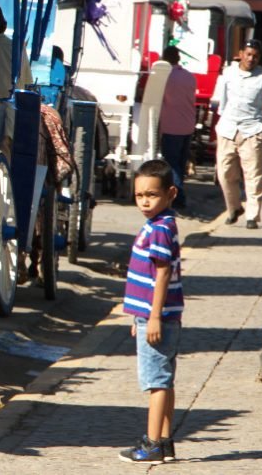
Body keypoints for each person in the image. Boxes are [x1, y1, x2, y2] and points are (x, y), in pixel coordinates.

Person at [120, 158, 183, 463]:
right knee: (165, 379)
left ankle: (152, 443)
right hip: (157, 315)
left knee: (156, 382)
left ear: (170, 193)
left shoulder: (159, 229)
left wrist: (153, 316)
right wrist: (140, 316)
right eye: (139, 195)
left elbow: (162, 274)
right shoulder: (161, 223)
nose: (145, 201)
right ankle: (166, 441)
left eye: (152, 195)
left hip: (159, 317)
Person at [210, 39, 262, 229]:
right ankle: (234, 208)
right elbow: (220, 104)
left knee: (253, 175)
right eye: (248, 54)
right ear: (241, 53)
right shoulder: (228, 73)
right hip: (228, 129)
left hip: (252, 131)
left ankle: (252, 216)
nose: (251, 59)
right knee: (225, 173)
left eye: (255, 56)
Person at [0, 4, 33, 155]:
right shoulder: (17, 48)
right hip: (10, 109)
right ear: (3, 25)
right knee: (3, 156)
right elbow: (26, 82)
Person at [158, 46, 197, 210]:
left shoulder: (164, 77)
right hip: (187, 126)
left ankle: (179, 197)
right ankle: (178, 193)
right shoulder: (189, 77)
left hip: (171, 127)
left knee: (172, 164)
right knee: (180, 164)